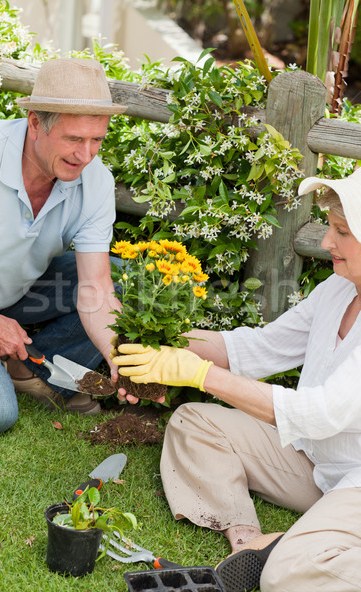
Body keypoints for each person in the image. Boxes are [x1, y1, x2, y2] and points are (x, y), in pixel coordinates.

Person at [113, 168, 361, 592]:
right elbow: (257, 349)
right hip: (318, 462)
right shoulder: (339, 290)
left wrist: (200, 374)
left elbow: (319, 414)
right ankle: (248, 540)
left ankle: (290, 550)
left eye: (340, 231)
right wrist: (167, 343)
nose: (325, 242)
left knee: (286, 575)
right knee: (194, 422)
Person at [0, 58, 127, 436]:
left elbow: (96, 290)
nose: (86, 156)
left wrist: (120, 358)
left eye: (96, 140)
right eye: (74, 139)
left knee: (128, 281)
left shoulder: (95, 181)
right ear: (35, 123)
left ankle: (26, 367)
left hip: (15, 293)